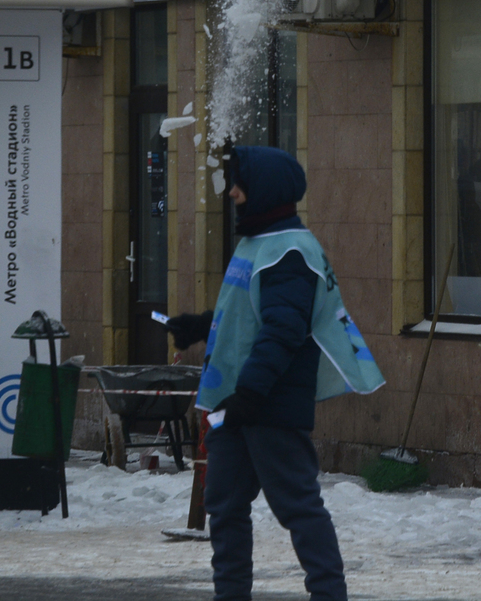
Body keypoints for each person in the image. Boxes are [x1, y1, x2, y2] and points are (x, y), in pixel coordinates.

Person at [163, 144, 384, 601]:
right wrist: (200, 326)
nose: (231, 192)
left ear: (264, 188)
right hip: (236, 402)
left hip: (268, 405)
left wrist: (251, 395)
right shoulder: (258, 242)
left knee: (297, 508)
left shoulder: (291, 250)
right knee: (223, 507)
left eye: (238, 183)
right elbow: (248, 316)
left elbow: (283, 330)